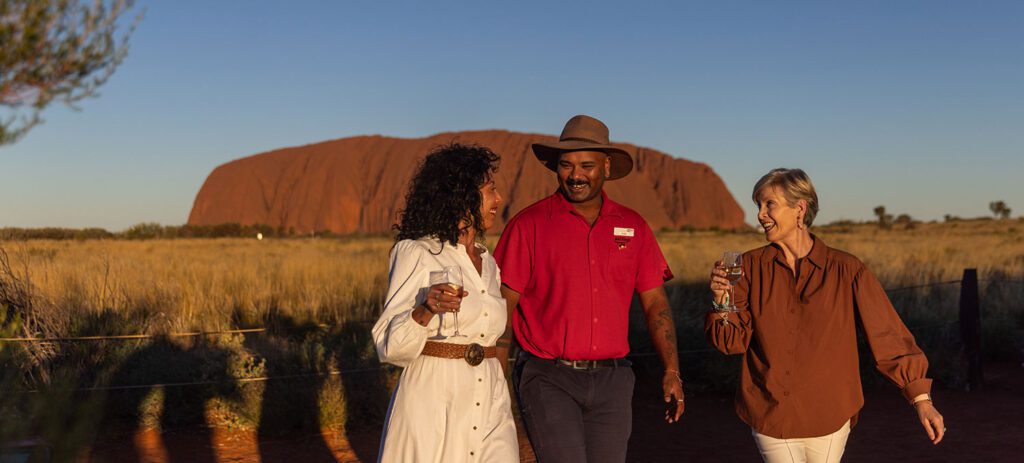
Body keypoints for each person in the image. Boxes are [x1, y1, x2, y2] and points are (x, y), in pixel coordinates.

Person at [706, 168, 946, 463]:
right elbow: (732, 343)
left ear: (800, 209)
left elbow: (887, 334)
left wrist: (921, 399)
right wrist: (722, 302)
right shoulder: (748, 267)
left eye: (769, 204)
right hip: (770, 411)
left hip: (829, 413)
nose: (760, 215)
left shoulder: (847, 269)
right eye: (759, 205)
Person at [494, 114, 683, 463]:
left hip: (614, 380)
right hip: (549, 377)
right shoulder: (529, 226)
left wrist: (672, 371)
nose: (575, 175)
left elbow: (655, 302)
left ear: (607, 167)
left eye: (586, 165)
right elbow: (503, 309)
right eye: (566, 165)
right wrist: (496, 387)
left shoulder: (633, 226)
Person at [372, 143, 518, 462]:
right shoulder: (417, 252)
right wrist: (425, 309)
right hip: (434, 400)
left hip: (490, 396)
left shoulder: (488, 262)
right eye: (490, 190)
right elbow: (390, 347)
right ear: (463, 195)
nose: (498, 200)